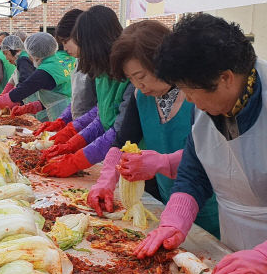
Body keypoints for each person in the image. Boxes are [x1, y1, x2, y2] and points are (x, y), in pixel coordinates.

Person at [131, 13, 267, 274]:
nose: (190, 100)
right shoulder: (208, 100)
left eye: (189, 92)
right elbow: (194, 173)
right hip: (233, 247)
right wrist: (174, 223)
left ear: (226, 78)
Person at [85, 20, 220, 238]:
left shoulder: (200, 96)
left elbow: (213, 153)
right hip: (170, 206)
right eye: (131, 79)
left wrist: (161, 162)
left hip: (214, 209)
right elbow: (122, 141)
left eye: (141, 77)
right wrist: (105, 183)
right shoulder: (142, 97)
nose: (139, 86)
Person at [41, 5, 134, 178]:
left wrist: (76, 159)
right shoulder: (101, 71)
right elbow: (102, 115)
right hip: (106, 149)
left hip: (129, 157)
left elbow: (120, 129)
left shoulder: (131, 75)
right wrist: (71, 141)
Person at [0, 32, 72, 122]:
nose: (28, 56)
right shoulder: (55, 63)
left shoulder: (46, 70)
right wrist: (27, 108)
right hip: (61, 110)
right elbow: (54, 95)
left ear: (35, 52)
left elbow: (22, 90)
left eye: (29, 52)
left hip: (61, 114)